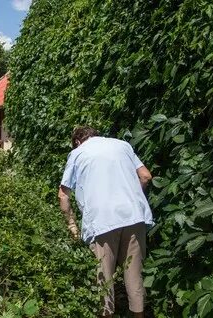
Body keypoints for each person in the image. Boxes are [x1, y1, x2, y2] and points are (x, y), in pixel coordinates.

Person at [58, 126, 153, 318]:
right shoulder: (122, 145)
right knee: (134, 276)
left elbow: (63, 196)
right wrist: (132, 198)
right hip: (134, 215)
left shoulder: (77, 153)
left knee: (104, 279)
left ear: (77, 141)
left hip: (102, 221)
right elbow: (145, 176)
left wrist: (72, 226)